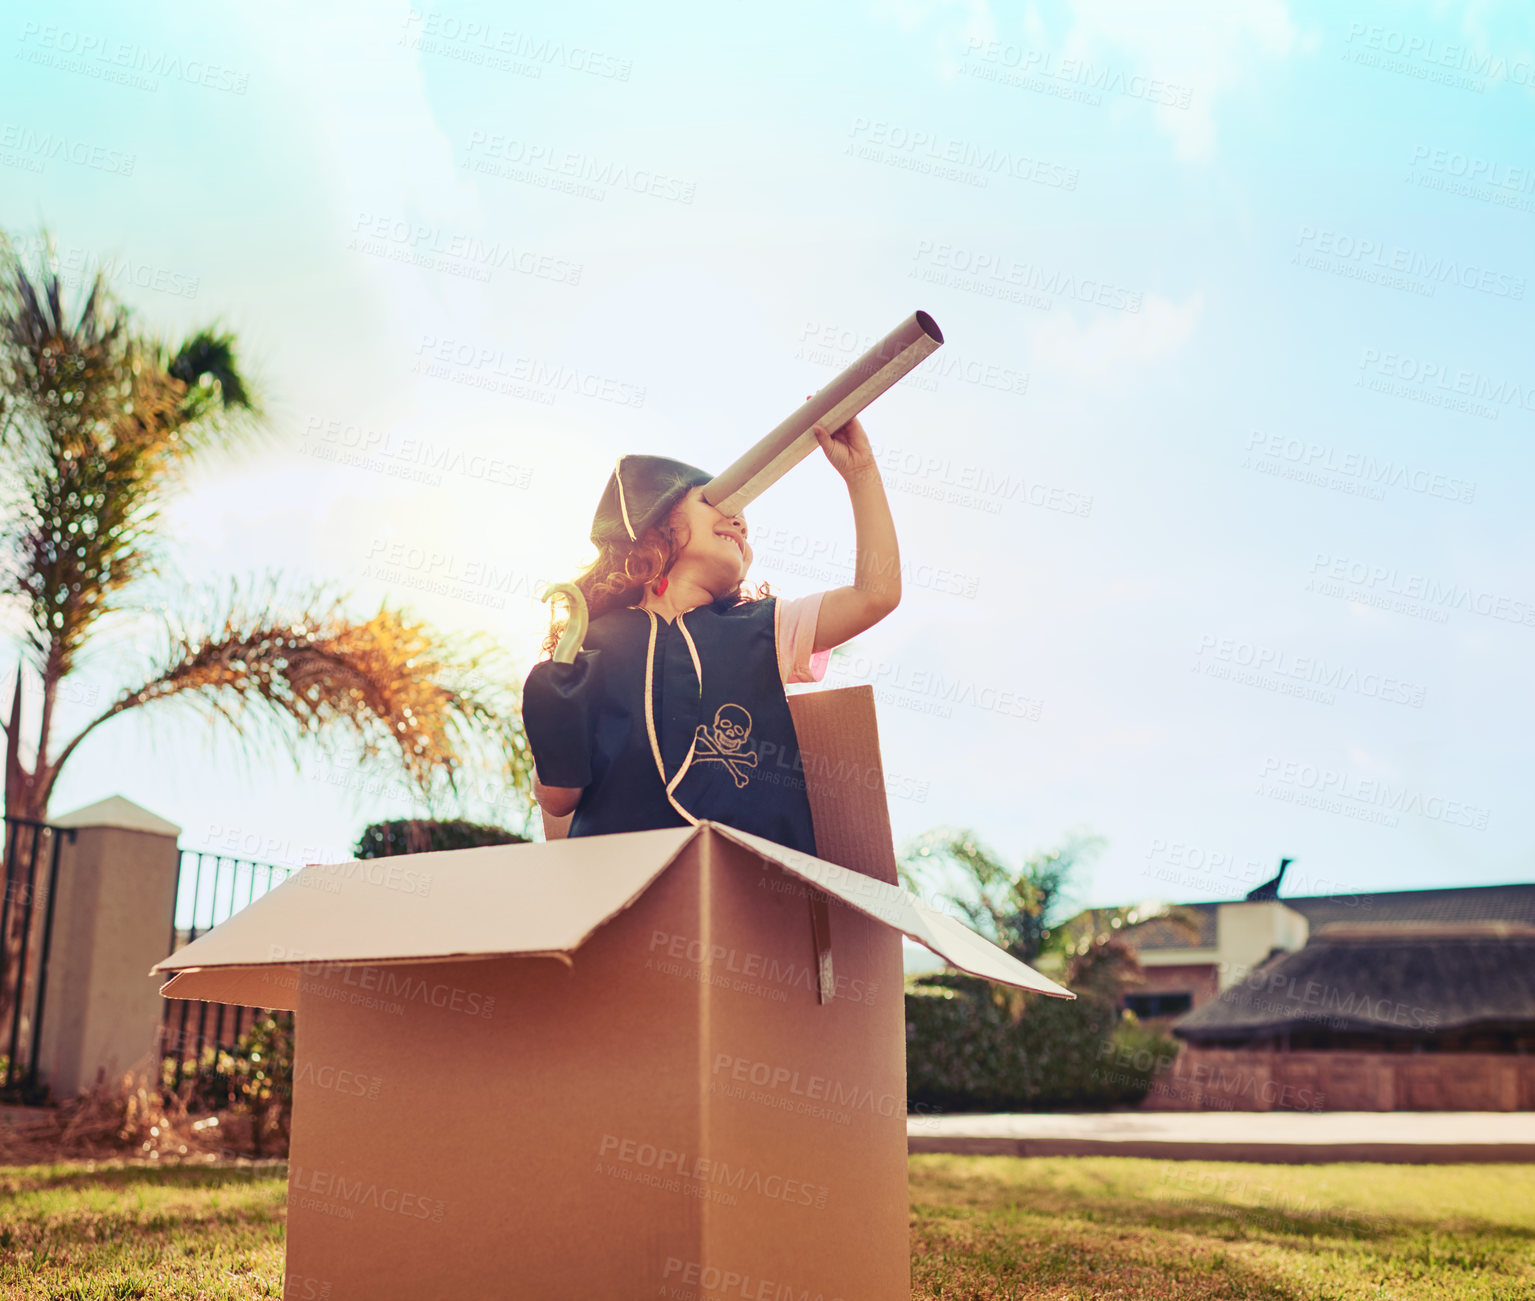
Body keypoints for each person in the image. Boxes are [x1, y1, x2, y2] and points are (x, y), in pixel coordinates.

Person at [521, 407, 900, 853]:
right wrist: (551, 713)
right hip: (619, 878)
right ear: (652, 525)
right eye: (717, 503)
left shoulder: (766, 626)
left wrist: (862, 473)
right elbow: (559, 801)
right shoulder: (589, 646)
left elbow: (876, 594)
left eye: (744, 520)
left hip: (747, 881)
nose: (739, 520)